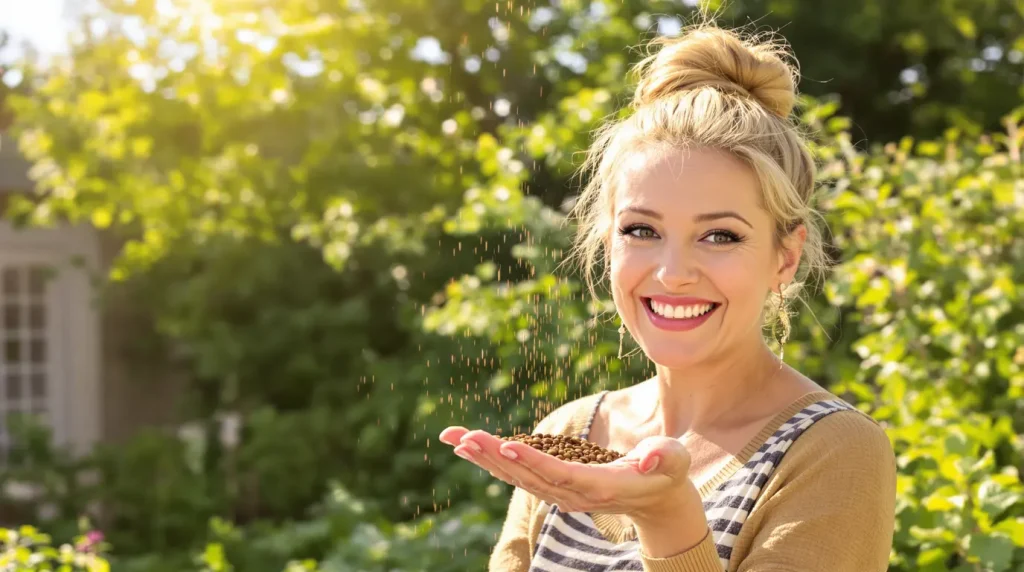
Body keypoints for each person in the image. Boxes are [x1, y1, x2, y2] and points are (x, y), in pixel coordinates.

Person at [439, 21, 896, 572]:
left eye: (720, 236)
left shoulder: (833, 450)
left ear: (786, 256)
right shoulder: (567, 432)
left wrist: (669, 522)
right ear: (607, 241)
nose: (673, 273)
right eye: (641, 230)